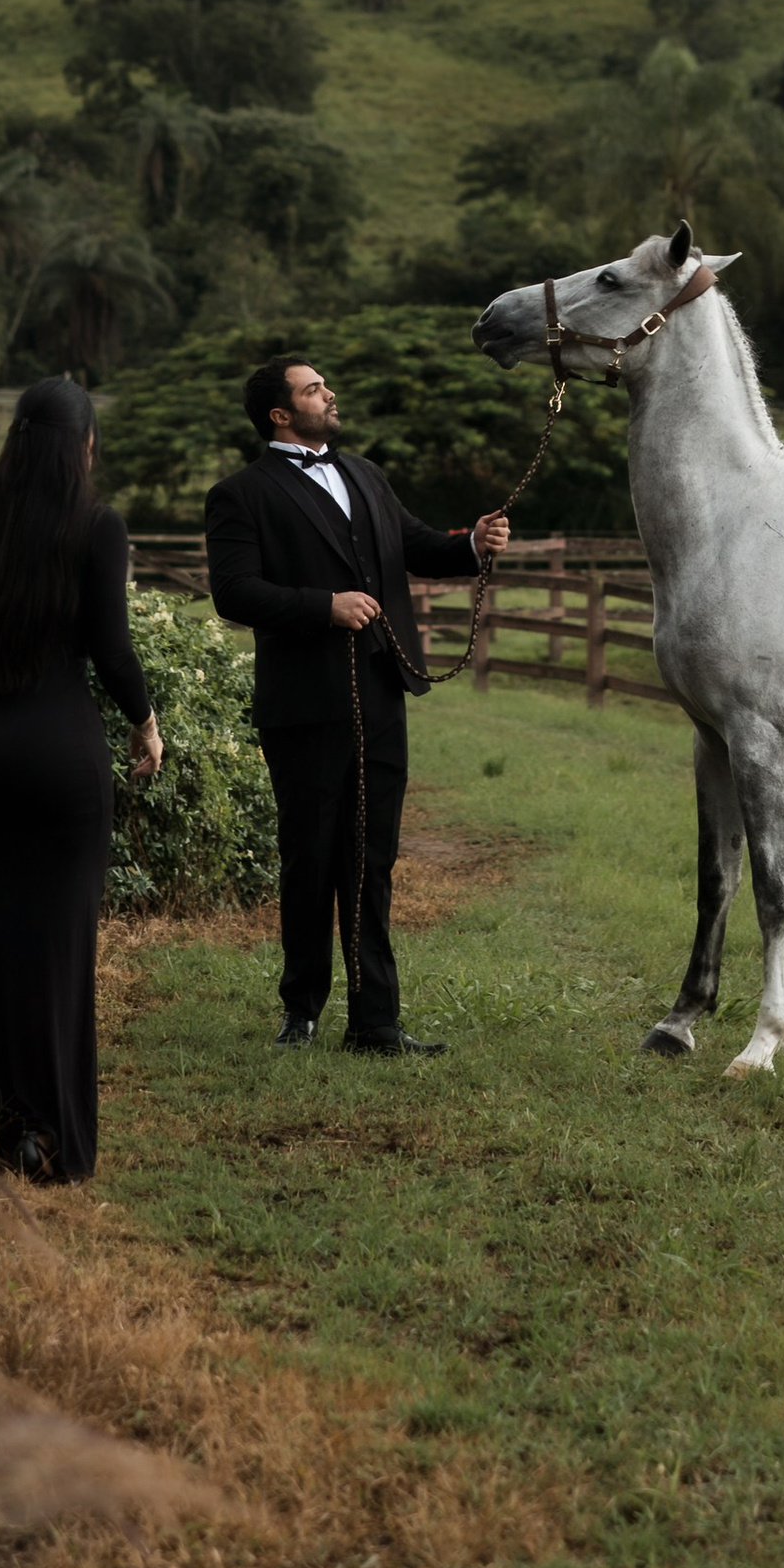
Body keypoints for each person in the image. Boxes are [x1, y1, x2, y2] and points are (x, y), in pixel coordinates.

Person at [205, 355, 509, 1054]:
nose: (328, 394)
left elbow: (418, 548)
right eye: (313, 389)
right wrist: (324, 607)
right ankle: (301, 1007)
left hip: (381, 689)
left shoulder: (366, 473)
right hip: (304, 705)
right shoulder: (240, 494)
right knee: (310, 857)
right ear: (281, 414)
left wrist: (472, 542)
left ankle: (375, 1021)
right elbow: (233, 593)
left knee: (373, 859)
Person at [0, 375, 163, 1181]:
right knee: (60, 949)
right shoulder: (96, 525)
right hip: (58, 752)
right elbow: (112, 647)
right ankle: (51, 1140)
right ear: (85, 446)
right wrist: (145, 719)